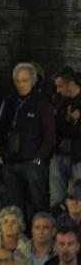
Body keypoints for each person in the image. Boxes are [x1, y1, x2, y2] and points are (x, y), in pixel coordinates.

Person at [0, 62, 55, 217]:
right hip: (11, 162)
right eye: (18, 81)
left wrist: (39, 158)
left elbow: (49, 134)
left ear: (33, 81)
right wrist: (1, 152)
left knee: (38, 204)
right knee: (14, 207)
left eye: (25, 81)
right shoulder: (9, 102)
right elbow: (0, 129)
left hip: (32, 163)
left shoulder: (42, 103)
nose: (21, 85)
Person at [51, 67, 81, 209]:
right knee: (56, 198)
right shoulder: (58, 101)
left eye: (60, 86)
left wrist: (66, 126)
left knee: (78, 197)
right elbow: (54, 126)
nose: (58, 90)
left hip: (78, 157)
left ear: (70, 84)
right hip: (58, 154)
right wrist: (69, 122)